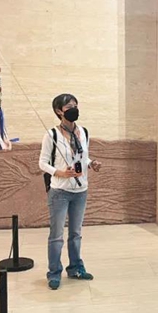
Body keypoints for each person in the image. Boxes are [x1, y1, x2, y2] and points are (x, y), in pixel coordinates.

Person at [39, 94, 101, 290]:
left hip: (81, 190)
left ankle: (75, 268)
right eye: (69, 107)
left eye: (76, 105)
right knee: (56, 235)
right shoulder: (51, 135)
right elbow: (42, 163)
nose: (74, 109)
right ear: (59, 111)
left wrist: (91, 163)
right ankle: (54, 273)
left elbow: (82, 156)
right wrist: (61, 173)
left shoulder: (83, 132)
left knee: (76, 233)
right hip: (60, 191)